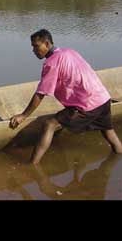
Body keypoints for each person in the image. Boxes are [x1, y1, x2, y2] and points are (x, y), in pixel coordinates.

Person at [9, 29, 122, 164]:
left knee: (49, 124)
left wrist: (23, 115)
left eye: (36, 46)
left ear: (46, 43)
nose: (34, 50)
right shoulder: (69, 52)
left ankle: (32, 165)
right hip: (103, 98)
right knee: (108, 131)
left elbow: (41, 93)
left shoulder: (51, 63)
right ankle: (119, 155)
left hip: (87, 104)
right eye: (32, 47)